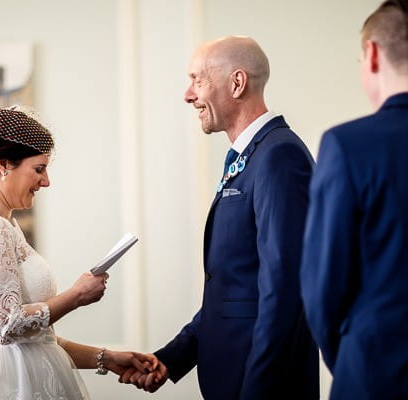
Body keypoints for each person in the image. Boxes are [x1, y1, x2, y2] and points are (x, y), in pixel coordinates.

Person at [122, 36, 319, 398]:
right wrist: (173, 357)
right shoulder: (248, 157)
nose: (188, 94)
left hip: (259, 385)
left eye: (198, 80)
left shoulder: (280, 157)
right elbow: (234, 287)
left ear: (237, 83)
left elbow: (286, 292)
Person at [300, 0, 408, 398]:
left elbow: (321, 287)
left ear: (372, 55)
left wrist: (354, 359)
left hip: (374, 376)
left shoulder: (346, 145)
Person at [0, 106, 158, 399]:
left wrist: (108, 358)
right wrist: (76, 296)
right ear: (4, 165)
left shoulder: (4, 226)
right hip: (7, 387)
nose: (46, 181)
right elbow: (8, 326)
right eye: (39, 169)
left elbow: (34, 339)